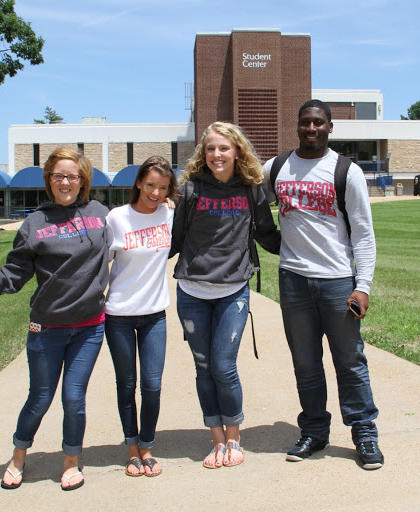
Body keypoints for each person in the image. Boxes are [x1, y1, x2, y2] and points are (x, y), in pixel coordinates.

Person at [0, 146, 109, 490]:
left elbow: (136, 226)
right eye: (58, 175)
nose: (65, 182)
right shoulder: (35, 223)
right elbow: (13, 276)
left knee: (74, 398)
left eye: (72, 176)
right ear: (49, 180)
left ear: (83, 180)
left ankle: (71, 462)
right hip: (47, 328)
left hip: (89, 327)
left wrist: (163, 208)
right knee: (40, 398)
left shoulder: (101, 213)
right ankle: (18, 456)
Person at [263, 99, 384, 470]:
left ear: (330, 127)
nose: (311, 128)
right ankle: (315, 431)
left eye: (318, 123)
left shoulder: (346, 171)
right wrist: (272, 242)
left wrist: (362, 285)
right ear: (297, 126)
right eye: (305, 122)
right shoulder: (278, 168)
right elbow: (252, 203)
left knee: (349, 361)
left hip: (336, 282)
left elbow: (363, 234)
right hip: (294, 280)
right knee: (306, 363)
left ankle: (364, 434)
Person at [170, 122, 280, 469]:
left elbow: (265, 232)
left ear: (237, 152)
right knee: (203, 368)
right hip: (191, 290)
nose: (217, 155)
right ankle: (216, 439)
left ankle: (234, 437)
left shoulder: (252, 188)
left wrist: (301, 250)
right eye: (211, 148)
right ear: (204, 153)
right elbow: (173, 240)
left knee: (223, 365)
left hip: (233, 290)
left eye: (224, 148)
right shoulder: (190, 189)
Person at [105, 156, 178, 477]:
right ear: (138, 183)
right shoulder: (116, 218)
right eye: (150, 185)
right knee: (127, 384)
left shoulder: (169, 213)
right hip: (118, 315)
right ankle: (132, 449)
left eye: (162, 188)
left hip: (154, 316)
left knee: (152, 385)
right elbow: (97, 265)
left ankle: (147, 446)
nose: (155, 193)